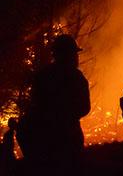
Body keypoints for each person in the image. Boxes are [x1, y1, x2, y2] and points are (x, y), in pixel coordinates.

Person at [16, 34, 90, 174]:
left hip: (47, 138)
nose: (76, 58)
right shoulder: (77, 78)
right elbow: (84, 108)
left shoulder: (43, 76)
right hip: (68, 138)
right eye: (73, 54)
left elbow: (35, 105)